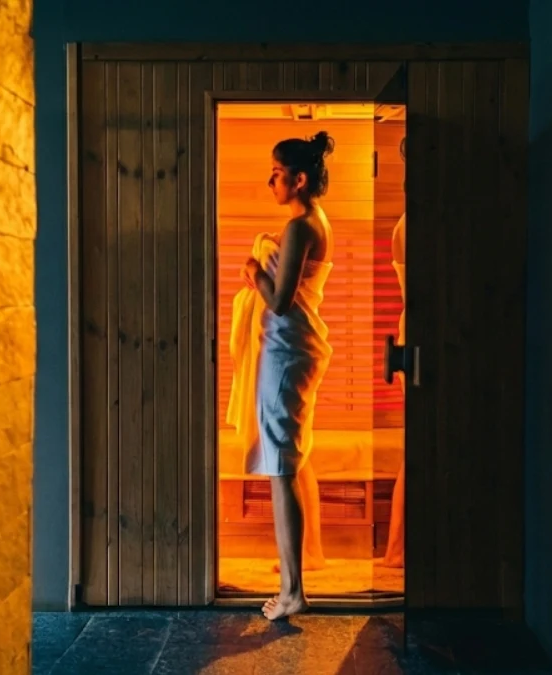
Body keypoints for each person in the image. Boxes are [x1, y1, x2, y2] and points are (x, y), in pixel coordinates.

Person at [230, 131, 336, 620]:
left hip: (287, 350)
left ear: (298, 178)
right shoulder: (315, 221)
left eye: (275, 172)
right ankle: (292, 578)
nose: (269, 179)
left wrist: (255, 269)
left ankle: (293, 590)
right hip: (294, 348)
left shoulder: (300, 226)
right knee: (284, 463)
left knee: (281, 467)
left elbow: (279, 300)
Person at [379, 137, 407, 569]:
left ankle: (397, 550)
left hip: (412, 334)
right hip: (417, 335)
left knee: (412, 449)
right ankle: (397, 550)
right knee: (414, 448)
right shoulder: (410, 224)